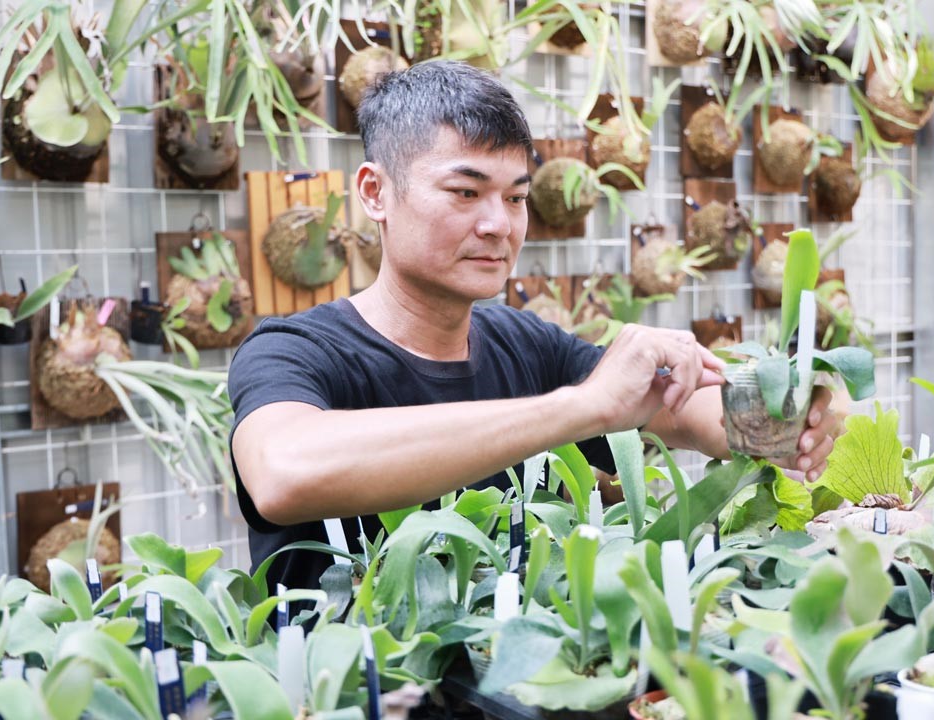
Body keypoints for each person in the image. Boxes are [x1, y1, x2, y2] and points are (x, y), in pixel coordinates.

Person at [229, 61, 837, 591]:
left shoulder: (527, 346)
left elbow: (682, 409)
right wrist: (580, 408)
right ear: (375, 192)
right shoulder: (295, 351)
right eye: (465, 192)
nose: (499, 224)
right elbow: (283, 473)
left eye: (516, 198)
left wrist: (787, 422)